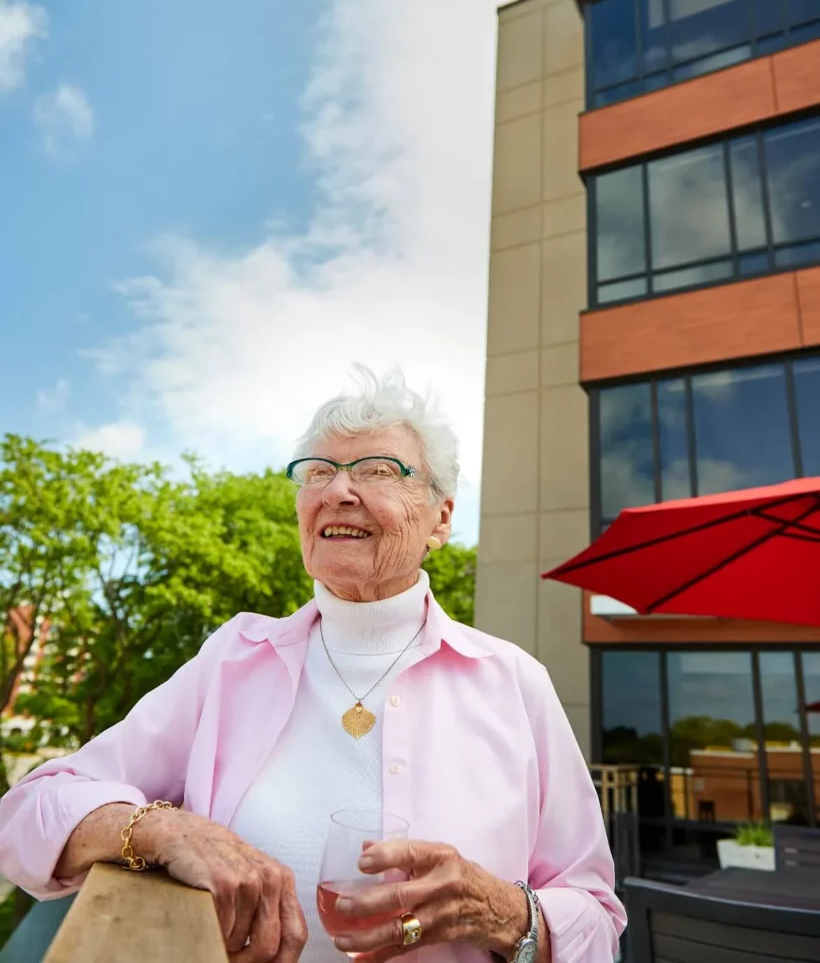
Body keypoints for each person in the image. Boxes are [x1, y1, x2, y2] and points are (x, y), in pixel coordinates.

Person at [0, 368, 626, 962]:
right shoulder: (234, 657)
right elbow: (32, 810)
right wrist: (165, 832)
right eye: (318, 471)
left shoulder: (514, 681)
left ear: (441, 518)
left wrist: (501, 912)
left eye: (378, 470)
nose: (337, 491)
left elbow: (599, 920)